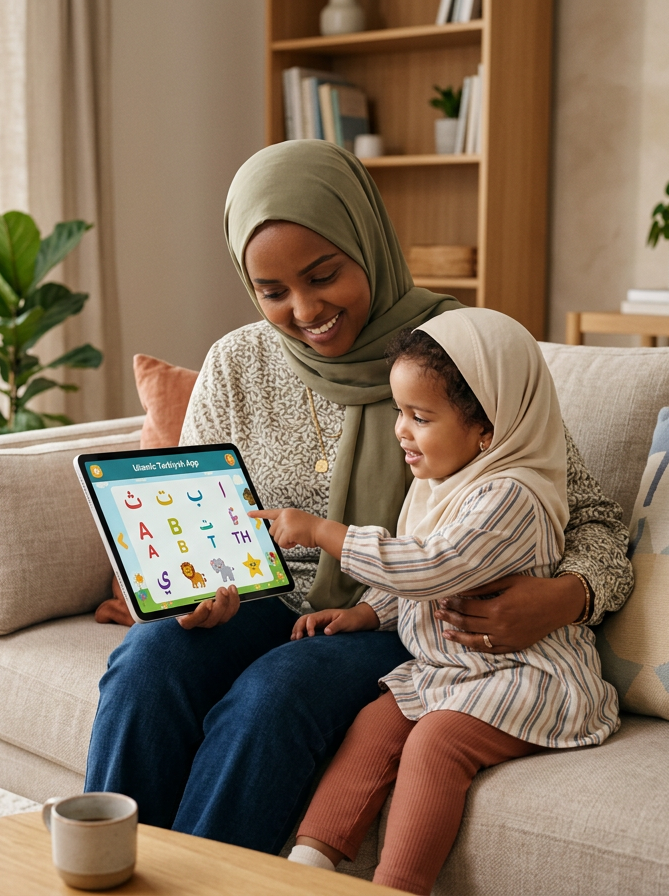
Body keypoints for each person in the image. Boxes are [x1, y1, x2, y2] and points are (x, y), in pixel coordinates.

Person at [84, 140, 632, 855]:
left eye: (323, 275)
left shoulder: (458, 358)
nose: (305, 309)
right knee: (149, 659)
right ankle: (106, 869)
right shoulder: (235, 363)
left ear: (365, 240)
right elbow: (207, 520)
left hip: (391, 619)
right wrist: (205, 585)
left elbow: (586, 516)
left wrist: (569, 596)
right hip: (261, 599)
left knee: (274, 695)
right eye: (272, 291)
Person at [255, 309, 618, 895]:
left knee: (435, 742)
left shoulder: (513, 495)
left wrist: (327, 533)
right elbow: (421, 571)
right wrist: (369, 612)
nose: (401, 429)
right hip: (453, 673)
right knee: (375, 722)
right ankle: (308, 867)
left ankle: (397, 886)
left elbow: (434, 566)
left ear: (488, 431)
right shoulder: (439, 483)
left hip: (528, 675)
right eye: (400, 412)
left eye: (420, 417)